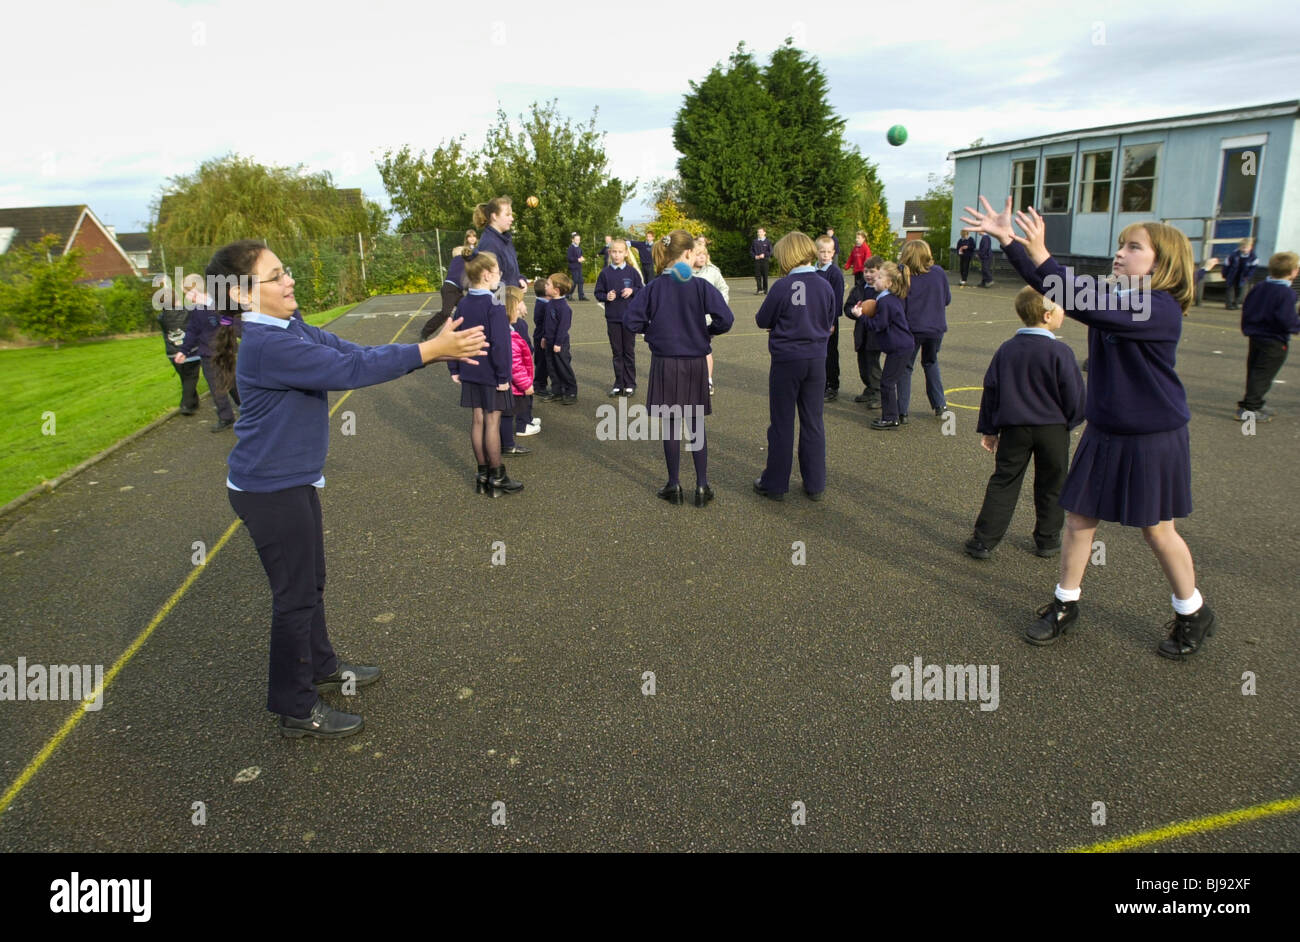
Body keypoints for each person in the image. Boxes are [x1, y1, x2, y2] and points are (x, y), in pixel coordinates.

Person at [211, 238, 487, 738]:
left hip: (290, 482)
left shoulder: (288, 327)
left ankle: (321, 668)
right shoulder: (267, 345)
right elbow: (350, 371)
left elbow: (351, 351)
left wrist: (423, 349)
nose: (289, 279)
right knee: (293, 598)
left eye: (285, 269)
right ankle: (295, 707)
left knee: (311, 583)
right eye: (275, 276)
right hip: (269, 490)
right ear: (244, 295)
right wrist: (430, 351)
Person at [962, 195, 1216, 659]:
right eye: (1120, 245)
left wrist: (1040, 252)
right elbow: (1055, 287)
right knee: (1079, 519)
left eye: (1133, 247)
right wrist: (1011, 243)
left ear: (1164, 263)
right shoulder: (1120, 297)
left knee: (1158, 531)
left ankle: (1192, 611)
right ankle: (1064, 605)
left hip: (1152, 437)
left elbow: (1077, 298)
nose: (1120, 253)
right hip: (1106, 431)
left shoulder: (1157, 308)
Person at [965, 286, 1085, 560]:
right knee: (1052, 483)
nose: (1064, 312)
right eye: (1060, 308)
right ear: (1046, 315)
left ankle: (983, 541)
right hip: (1053, 428)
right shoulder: (1061, 351)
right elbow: (1075, 393)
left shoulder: (1007, 349)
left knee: (1004, 481)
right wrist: (1071, 420)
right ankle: (1047, 539)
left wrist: (989, 428)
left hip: (1014, 427)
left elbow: (991, 389)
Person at [625, 230, 734, 506]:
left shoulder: (653, 288)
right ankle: (701, 486)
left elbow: (630, 321)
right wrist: (706, 331)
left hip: (665, 363)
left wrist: (653, 332)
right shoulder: (699, 286)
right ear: (687, 254)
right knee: (695, 424)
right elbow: (726, 319)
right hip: (695, 361)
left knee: (671, 426)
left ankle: (674, 484)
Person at [754, 233, 836, 501]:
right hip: (816, 360)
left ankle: (775, 483)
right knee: (813, 421)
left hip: (787, 360)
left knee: (782, 423)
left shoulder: (783, 286)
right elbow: (829, 320)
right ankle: (815, 483)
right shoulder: (824, 286)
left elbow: (762, 319)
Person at [450, 251, 522, 495]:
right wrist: (504, 376)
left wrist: (454, 367)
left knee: (477, 421)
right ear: (485, 274)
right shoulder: (495, 305)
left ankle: (482, 475)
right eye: (497, 272)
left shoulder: (462, 303)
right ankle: (497, 477)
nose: (500, 276)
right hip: (491, 372)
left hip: (469, 368)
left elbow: (452, 336)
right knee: (492, 422)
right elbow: (501, 345)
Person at [1235, 250, 1300, 421]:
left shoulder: (1260, 286)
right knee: (1264, 374)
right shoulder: (1286, 293)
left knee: (1255, 370)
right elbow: (1286, 319)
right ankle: (1249, 409)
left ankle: (1254, 402)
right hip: (1274, 339)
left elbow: (1248, 308)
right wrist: (1296, 325)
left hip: (1256, 336)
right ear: (1294, 271)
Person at [174, 278, 241, 432]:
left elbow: (233, 323)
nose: (186, 297)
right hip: (208, 354)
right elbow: (192, 330)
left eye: (187, 293)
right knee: (216, 386)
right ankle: (226, 417)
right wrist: (184, 350)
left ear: (194, 291)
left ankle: (247, 411)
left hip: (225, 351)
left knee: (233, 383)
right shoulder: (196, 309)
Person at [900, 240, 952, 417]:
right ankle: (940, 404)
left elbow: (900, 303)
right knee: (930, 362)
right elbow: (947, 299)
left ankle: (901, 411)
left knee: (905, 368)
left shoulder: (904, 275)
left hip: (912, 329)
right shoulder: (938, 272)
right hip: (935, 328)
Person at [861, 262, 914, 430]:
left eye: (879, 277)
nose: (875, 279)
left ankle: (891, 418)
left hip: (900, 348)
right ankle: (894, 414)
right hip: (900, 346)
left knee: (887, 383)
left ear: (889, 283)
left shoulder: (886, 302)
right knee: (889, 381)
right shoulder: (887, 298)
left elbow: (878, 325)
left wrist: (861, 315)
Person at [594, 237, 644, 396]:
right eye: (614, 252)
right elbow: (598, 293)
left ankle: (630, 383)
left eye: (620, 252)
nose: (616, 255)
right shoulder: (605, 273)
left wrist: (632, 291)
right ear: (609, 253)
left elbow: (642, 290)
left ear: (625, 253)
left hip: (629, 319)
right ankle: (618, 383)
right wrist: (605, 296)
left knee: (628, 351)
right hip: (613, 318)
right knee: (617, 352)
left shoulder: (632, 271)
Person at [498, 286, 536, 455]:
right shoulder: (508, 336)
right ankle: (507, 445)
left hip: (507, 383)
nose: (520, 309)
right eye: (517, 306)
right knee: (507, 414)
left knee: (504, 414)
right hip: (510, 385)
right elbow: (515, 366)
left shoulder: (507, 330)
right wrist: (526, 385)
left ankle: (503, 442)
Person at [844, 256, 885, 407]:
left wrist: (874, 311)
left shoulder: (882, 291)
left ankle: (879, 393)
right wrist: (853, 311)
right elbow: (847, 307)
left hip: (875, 333)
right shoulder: (859, 289)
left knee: (873, 364)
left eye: (872, 271)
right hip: (861, 331)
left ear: (880, 273)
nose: (867, 274)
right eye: (865, 271)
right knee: (862, 364)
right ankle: (869, 388)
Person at [691, 237, 728, 394]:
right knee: (690, 351)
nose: (701, 257)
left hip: (706, 320)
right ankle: (691, 380)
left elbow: (723, 288)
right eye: (698, 254)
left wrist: (718, 308)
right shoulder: (685, 273)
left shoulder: (713, 272)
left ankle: (708, 380)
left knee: (705, 350)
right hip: (689, 319)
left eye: (704, 254)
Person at [157, 277, 199, 415]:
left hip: (172, 353)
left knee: (185, 378)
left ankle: (193, 402)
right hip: (189, 352)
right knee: (191, 378)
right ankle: (186, 405)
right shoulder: (186, 312)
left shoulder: (162, 317)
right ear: (176, 301)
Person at [419, 237, 471, 340]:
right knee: (445, 313)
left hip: (457, 291)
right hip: (450, 289)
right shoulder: (458, 259)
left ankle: (461, 332)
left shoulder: (464, 262)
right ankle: (425, 332)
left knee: (467, 309)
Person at [815, 235, 846, 402]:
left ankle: (832, 385)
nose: (825, 255)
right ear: (816, 252)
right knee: (818, 352)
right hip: (815, 318)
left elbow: (838, 299)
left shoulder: (834, 273)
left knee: (830, 353)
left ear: (834, 253)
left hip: (829, 320)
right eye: (822, 251)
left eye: (829, 252)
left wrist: (832, 321)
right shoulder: (813, 270)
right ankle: (820, 382)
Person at [472, 197, 528, 290]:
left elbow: (509, 272)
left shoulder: (506, 239)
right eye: (507, 215)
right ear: (494, 216)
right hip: (502, 301)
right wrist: (502, 303)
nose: (512, 218)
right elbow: (493, 284)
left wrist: (520, 279)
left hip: (511, 298)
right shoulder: (489, 244)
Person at [541, 272, 577, 404]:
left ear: (556, 290)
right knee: (552, 368)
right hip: (549, 342)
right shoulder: (550, 303)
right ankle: (557, 391)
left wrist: (558, 343)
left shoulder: (564, 307)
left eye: (548, 284)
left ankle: (571, 391)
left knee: (563, 367)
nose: (545, 286)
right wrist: (544, 337)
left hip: (559, 344)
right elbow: (548, 323)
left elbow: (563, 327)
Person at [531, 276, 551, 402]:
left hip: (540, 336)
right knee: (542, 362)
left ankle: (540, 384)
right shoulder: (543, 305)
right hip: (541, 337)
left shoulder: (542, 303)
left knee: (543, 362)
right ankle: (539, 385)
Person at [1223, 237, 1258, 310]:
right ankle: (1228, 304)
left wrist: (1248, 276)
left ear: (1250, 247)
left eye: (1246, 248)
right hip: (1232, 274)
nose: (1244, 250)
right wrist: (1225, 274)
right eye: (1242, 248)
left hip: (1243, 276)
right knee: (1230, 289)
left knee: (1239, 289)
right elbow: (1226, 264)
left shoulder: (1253, 257)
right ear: (1239, 247)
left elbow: (1253, 268)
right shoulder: (1233, 255)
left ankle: (1236, 303)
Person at [751, 227, 773, 294]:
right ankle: (759, 290)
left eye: (760, 232)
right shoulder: (754, 241)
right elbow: (751, 251)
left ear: (764, 233)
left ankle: (765, 290)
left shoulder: (768, 241)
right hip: (757, 261)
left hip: (765, 261)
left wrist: (764, 255)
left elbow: (771, 251)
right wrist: (755, 256)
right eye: (758, 232)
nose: (759, 233)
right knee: (757, 276)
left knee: (765, 276)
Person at [566, 232, 587, 301]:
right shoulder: (570, 248)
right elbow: (569, 258)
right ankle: (568, 295)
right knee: (574, 281)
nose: (578, 241)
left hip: (579, 267)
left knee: (581, 281)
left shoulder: (579, 248)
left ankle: (581, 296)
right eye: (576, 239)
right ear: (573, 240)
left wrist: (582, 258)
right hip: (573, 267)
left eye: (579, 240)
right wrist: (577, 259)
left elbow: (580, 256)